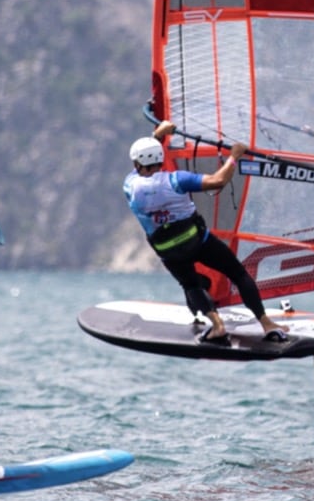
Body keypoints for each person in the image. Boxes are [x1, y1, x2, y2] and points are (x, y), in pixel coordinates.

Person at [123, 119, 287, 344]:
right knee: (237, 274)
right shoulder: (176, 180)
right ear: (160, 158)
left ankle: (217, 326)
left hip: (168, 251)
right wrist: (234, 156)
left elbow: (143, 162)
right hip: (197, 241)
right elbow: (218, 180)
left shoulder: (130, 185)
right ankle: (267, 325)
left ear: (137, 163)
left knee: (190, 284)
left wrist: (157, 136)